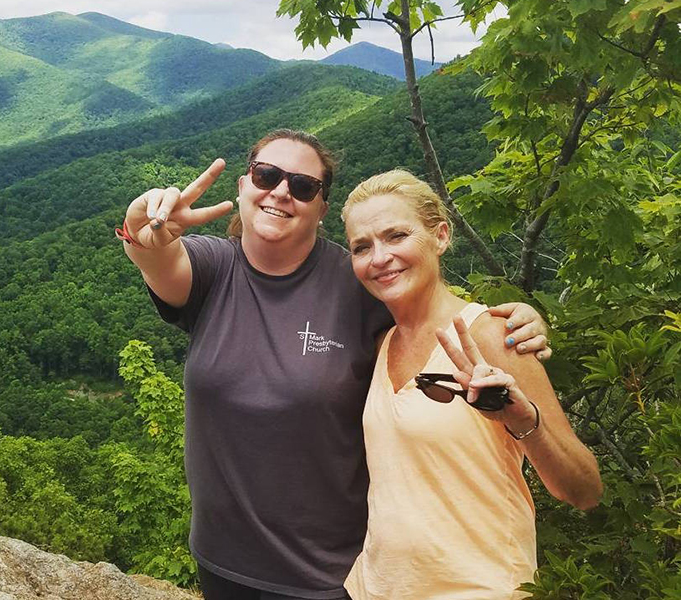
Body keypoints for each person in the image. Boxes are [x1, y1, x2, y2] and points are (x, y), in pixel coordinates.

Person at [119, 129, 550, 600]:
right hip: (222, 561)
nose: (281, 191)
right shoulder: (212, 270)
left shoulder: (358, 282)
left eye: (303, 186)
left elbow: (431, 309)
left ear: (321, 208)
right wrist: (142, 235)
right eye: (266, 175)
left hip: (329, 575)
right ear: (243, 185)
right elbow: (160, 260)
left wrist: (509, 323)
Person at [341, 170, 602, 600]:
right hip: (377, 586)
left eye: (396, 236)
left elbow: (585, 490)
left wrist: (524, 420)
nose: (380, 257)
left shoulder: (492, 337)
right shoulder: (383, 342)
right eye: (362, 247)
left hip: (479, 586)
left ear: (440, 236)